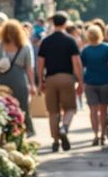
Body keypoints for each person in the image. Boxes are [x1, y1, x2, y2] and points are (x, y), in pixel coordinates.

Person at [35, 12, 83, 151]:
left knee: (52, 111)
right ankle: (64, 127)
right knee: (70, 108)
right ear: (65, 23)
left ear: (53, 23)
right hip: (67, 78)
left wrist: (40, 81)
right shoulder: (70, 40)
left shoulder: (45, 41)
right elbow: (76, 63)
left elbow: (40, 63)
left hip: (50, 78)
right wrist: (80, 81)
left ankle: (55, 141)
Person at [79, 25, 108, 146]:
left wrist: (81, 82)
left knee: (93, 110)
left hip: (90, 82)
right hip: (105, 81)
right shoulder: (107, 48)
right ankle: (102, 135)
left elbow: (82, 67)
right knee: (104, 111)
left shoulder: (86, 50)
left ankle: (95, 134)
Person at [0, 19, 37, 126]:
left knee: (4, 106)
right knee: (22, 105)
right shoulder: (25, 46)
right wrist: (32, 84)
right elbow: (29, 68)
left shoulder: (0, 45)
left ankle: (7, 129)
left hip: (3, 79)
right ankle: (24, 128)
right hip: (20, 79)